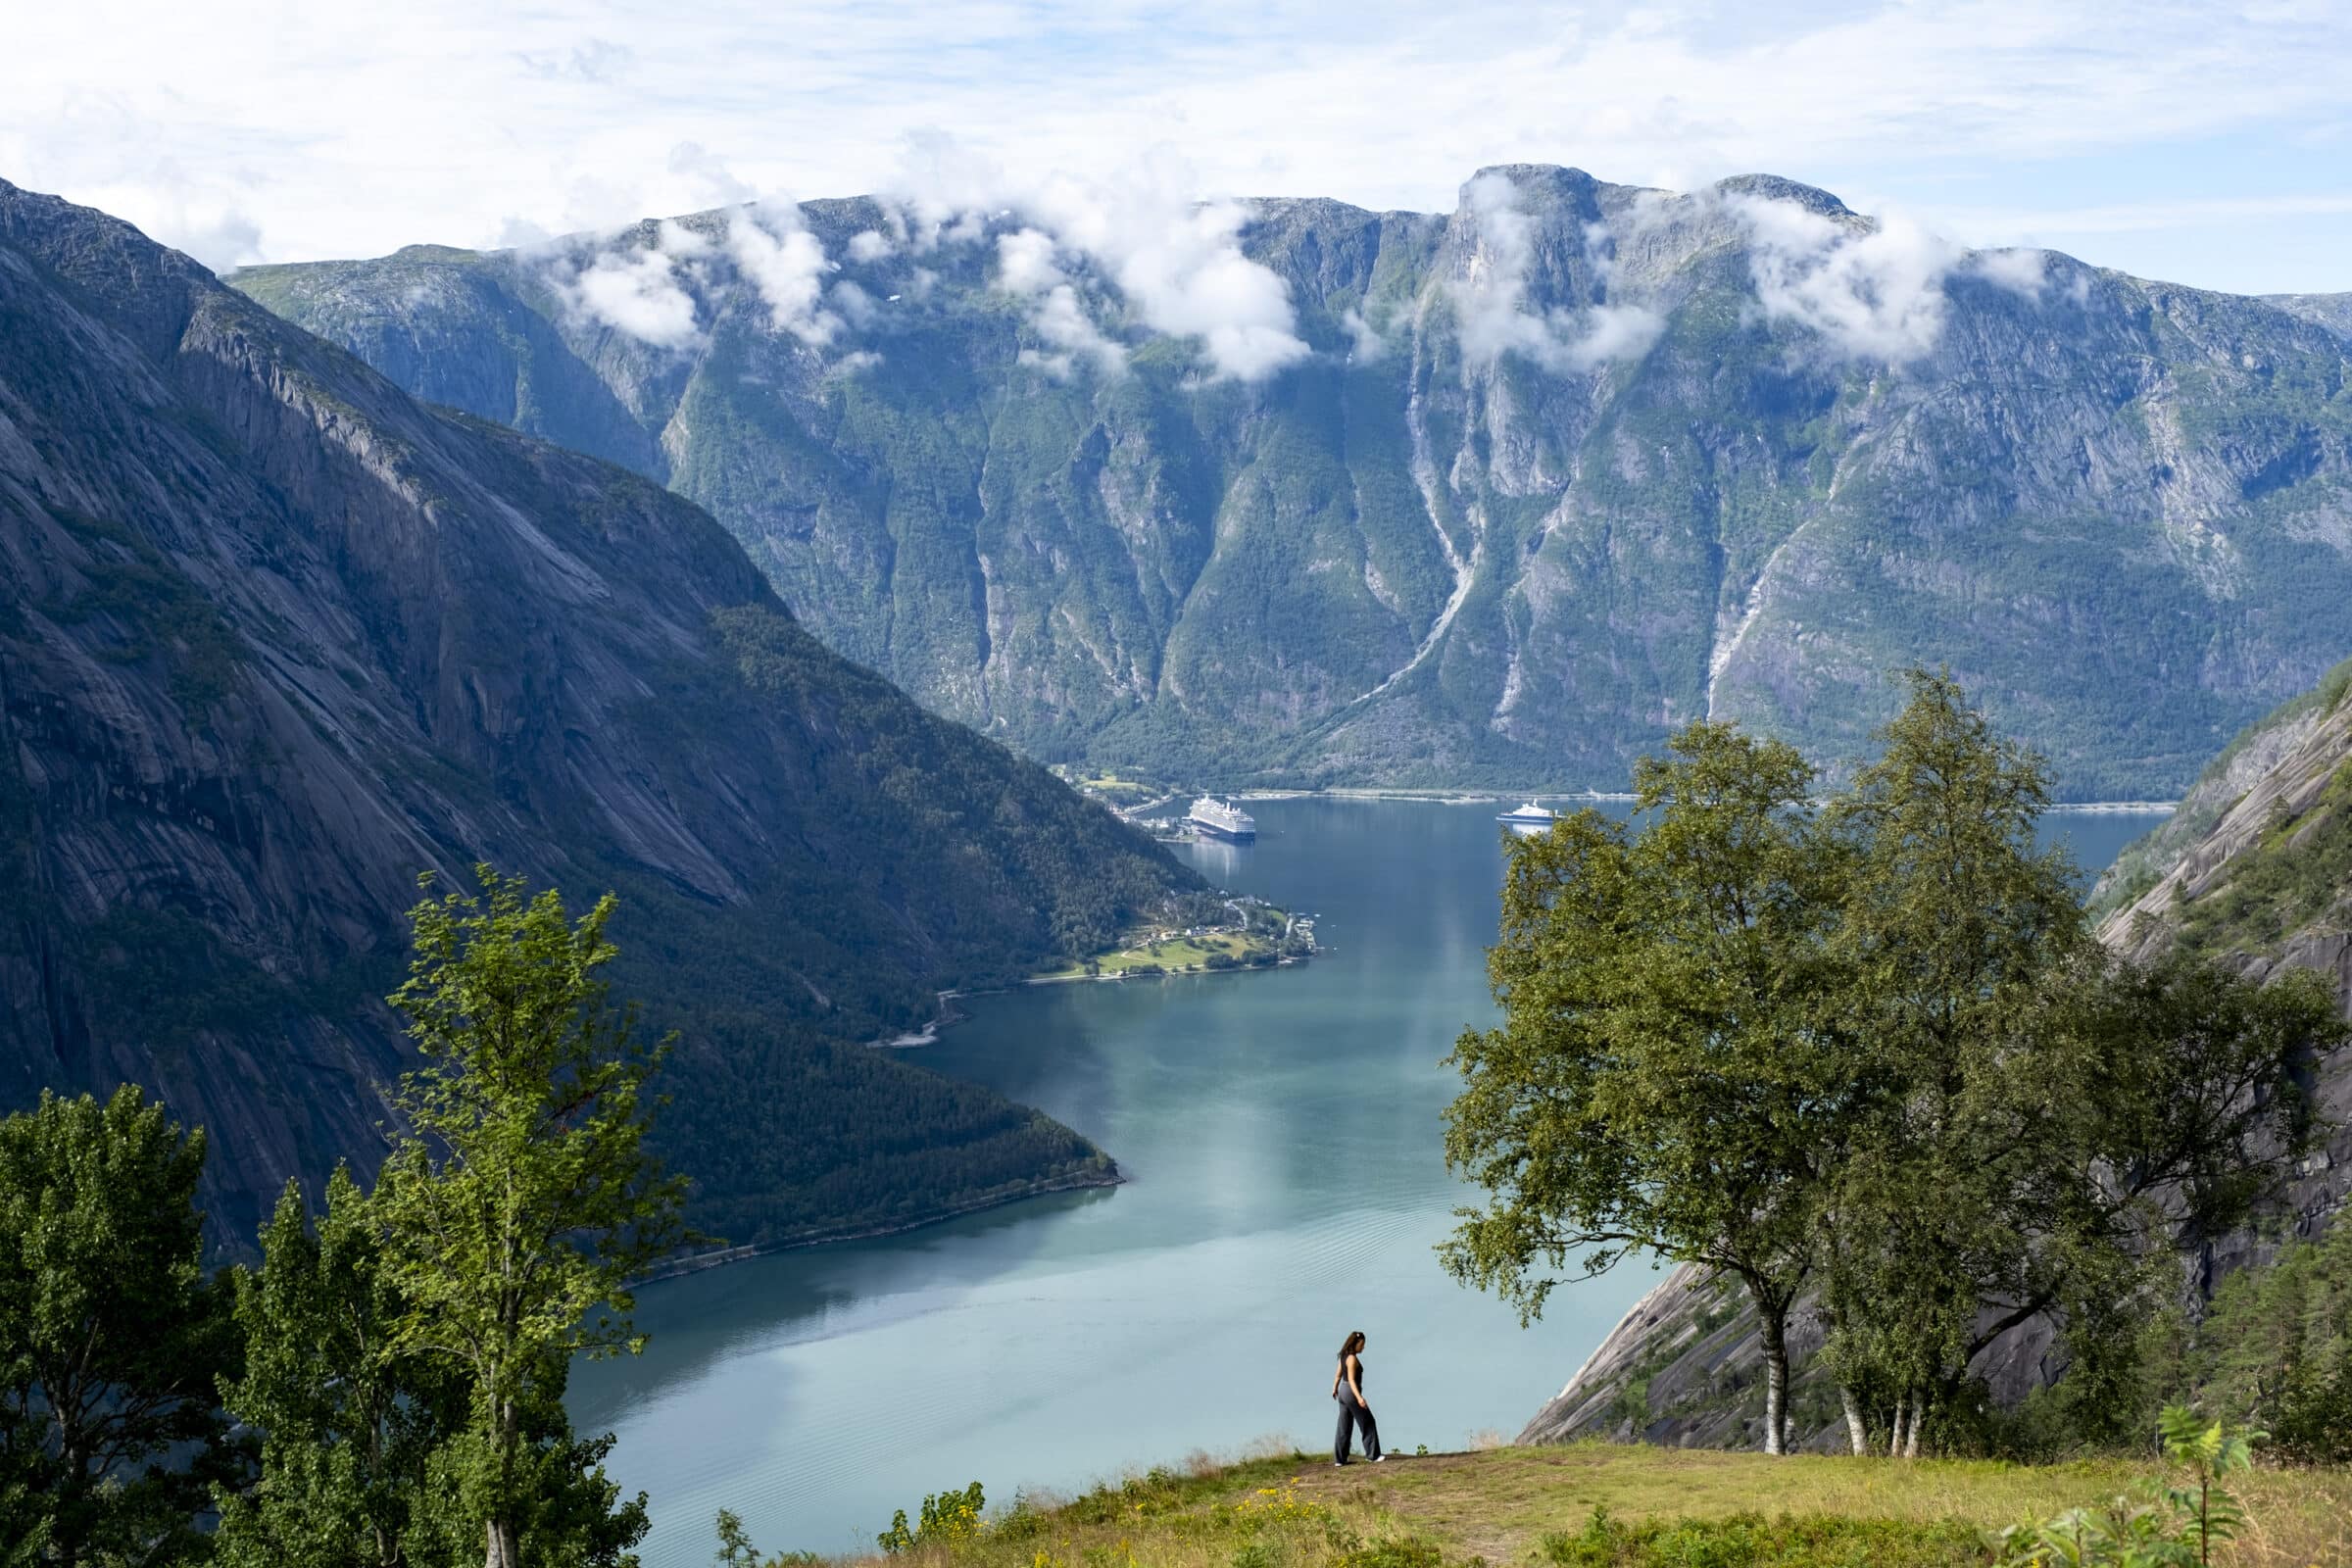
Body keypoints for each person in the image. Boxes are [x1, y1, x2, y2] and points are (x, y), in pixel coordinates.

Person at [1329, 1329, 1384, 1465]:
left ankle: (1340, 1460)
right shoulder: (1352, 1358)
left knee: (1344, 1426)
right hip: (1350, 1392)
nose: (1363, 1347)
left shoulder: (1343, 1356)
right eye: (1362, 1344)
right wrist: (1359, 1398)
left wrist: (1334, 1388)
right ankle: (1373, 1455)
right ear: (1356, 1343)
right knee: (1368, 1422)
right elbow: (1352, 1380)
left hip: (1342, 1392)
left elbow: (1338, 1375)